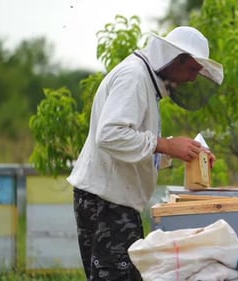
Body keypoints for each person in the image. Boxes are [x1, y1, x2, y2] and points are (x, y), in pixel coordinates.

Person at [67, 26, 223, 280]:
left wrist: (183, 152)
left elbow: (132, 149)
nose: (194, 78)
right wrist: (167, 145)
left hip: (115, 200)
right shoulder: (134, 77)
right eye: (193, 69)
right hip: (107, 202)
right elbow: (110, 135)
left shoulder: (144, 80)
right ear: (176, 59)